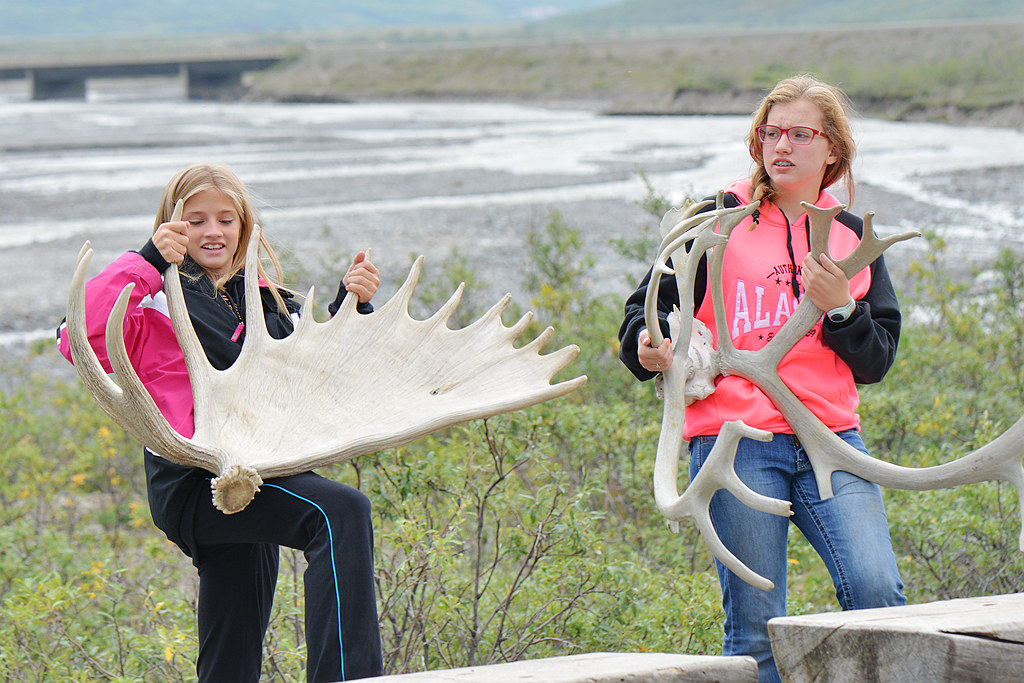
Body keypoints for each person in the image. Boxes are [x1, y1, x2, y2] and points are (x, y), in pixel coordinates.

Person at [618, 75, 906, 682]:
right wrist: (647, 346)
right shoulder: (715, 221)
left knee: (880, 598)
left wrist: (841, 309)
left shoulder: (854, 238)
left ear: (832, 149)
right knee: (754, 628)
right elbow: (643, 311)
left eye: (801, 134)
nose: (783, 146)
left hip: (831, 440)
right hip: (734, 442)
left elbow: (877, 358)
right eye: (772, 133)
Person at [57, 163, 384, 682]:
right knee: (339, 512)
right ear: (171, 225)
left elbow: (320, 369)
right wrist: (143, 260)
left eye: (226, 220)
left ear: (244, 228)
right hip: (194, 479)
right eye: (196, 220)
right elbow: (78, 336)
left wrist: (352, 305)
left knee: (232, 642)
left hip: (263, 471)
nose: (212, 232)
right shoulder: (151, 299)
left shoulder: (272, 302)